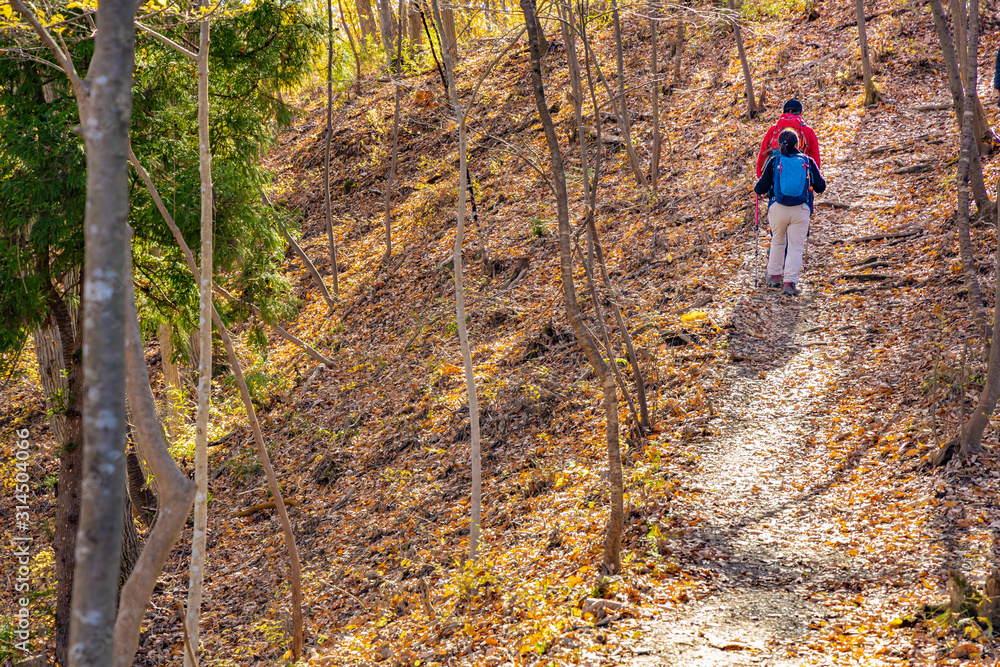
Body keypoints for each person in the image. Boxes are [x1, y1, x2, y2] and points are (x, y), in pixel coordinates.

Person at [753, 129, 826, 296]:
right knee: (795, 246)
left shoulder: (774, 161)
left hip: (778, 208)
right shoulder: (807, 161)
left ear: (779, 145)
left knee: (778, 241)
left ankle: (774, 276)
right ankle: (790, 283)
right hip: (800, 210)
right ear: (798, 144)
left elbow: (760, 188)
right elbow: (821, 186)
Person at [755, 98, 821, 178]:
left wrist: (762, 179)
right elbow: (815, 158)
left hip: (776, 180)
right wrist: (814, 182)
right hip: (800, 180)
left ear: (783, 113)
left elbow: (763, 156)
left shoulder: (773, 130)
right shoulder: (808, 131)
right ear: (801, 113)